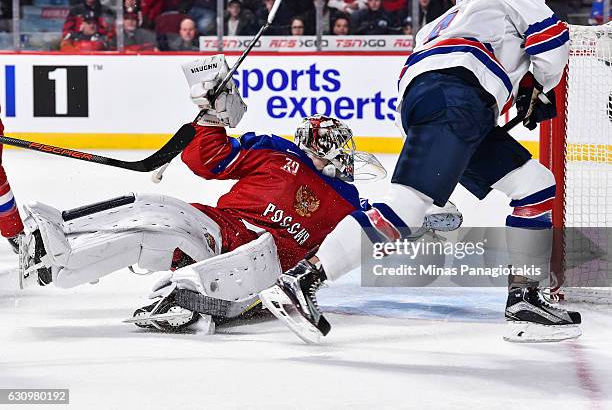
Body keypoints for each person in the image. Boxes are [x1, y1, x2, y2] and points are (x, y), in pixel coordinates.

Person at [17, 55, 456, 333]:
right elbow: (207, 161)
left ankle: (192, 299)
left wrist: (425, 214)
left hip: (259, 262)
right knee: (149, 216)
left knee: (256, 252)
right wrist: (211, 113)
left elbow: (379, 232)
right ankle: (59, 256)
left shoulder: (353, 204)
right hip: (217, 232)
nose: (338, 151)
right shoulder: (276, 151)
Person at [260, 0, 582, 344]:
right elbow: (553, 39)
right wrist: (540, 85)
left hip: (439, 102)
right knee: (408, 207)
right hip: (460, 99)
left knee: (534, 185)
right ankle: (302, 280)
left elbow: (420, 92)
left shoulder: (436, 25)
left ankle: (525, 299)